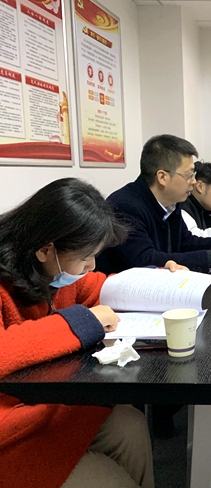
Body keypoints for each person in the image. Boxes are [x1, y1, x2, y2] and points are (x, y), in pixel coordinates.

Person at [0, 178, 181, 488]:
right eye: (85, 258)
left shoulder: (55, 271)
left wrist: (160, 282)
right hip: (10, 427)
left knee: (130, 424)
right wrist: (82, 323)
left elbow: (101, 287)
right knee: (109, 480)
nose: (91, 266)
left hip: (43, 403)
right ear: (45, 250)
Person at [96, 134, 211, 274]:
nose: (194, 181)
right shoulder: (124, 206)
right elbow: (145, 259)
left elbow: (186, 242)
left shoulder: (171, 202)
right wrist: (209, 258)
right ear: (162, 177)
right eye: (189, 175)